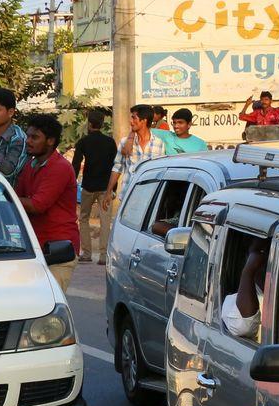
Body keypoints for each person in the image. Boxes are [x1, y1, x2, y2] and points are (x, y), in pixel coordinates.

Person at [16, 113, 80, 292]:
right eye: (28, 136)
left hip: (58, 249)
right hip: (36, 247)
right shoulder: (31, 164)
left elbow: (37, 205)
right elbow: (19, 196)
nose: (28, 141)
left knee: (50, 305)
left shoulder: (59, 167)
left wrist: (3, 198)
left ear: (51, 141)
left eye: (34, 137)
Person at [71, 109, 116, 265]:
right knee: (105, 220)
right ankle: (104, 255)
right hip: (105, 187)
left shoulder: (83, 142)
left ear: (89, 124)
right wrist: (113, 189)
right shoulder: (110, 142)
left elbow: (76, 164)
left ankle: (87, 253)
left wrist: (72, 183)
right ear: (102, 124)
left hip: (88, 186)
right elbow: (114, 167)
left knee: (83, 218)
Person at [106, 104, 167, 210]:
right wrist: (108, 192)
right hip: (128, 196)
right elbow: (117, 167)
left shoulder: (159, 143)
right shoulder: (125, 142)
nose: (131, 121)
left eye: (134, 118)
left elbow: (161, 171)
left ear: (144, 120)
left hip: (150, 198)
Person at [223, 237, 268, 340]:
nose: (268, 257)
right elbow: (243, 326)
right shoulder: (240, 298)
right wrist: (248, 272)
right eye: (260, 252)